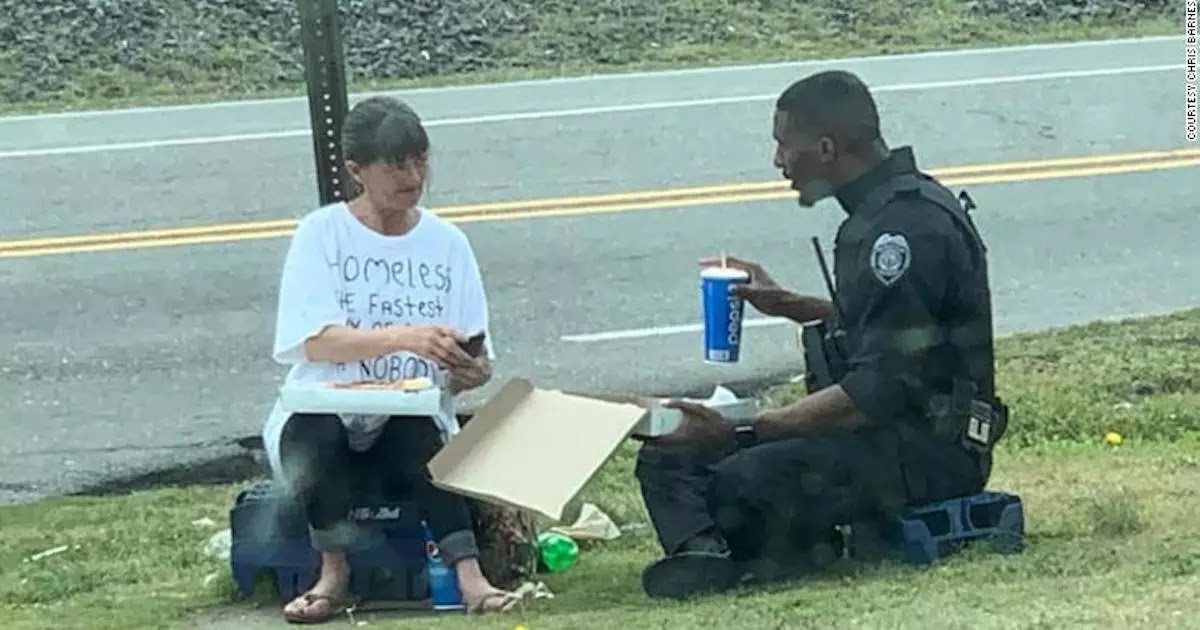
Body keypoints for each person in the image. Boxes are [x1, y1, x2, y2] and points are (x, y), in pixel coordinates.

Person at [634, 70, 1009, 600]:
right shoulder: (881, 213)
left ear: (827, 148)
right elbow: (894, 329)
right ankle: (706, 555)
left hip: (928, 446)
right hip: (881, 434)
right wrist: (788, 305)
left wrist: (743, 430)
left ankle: (768, 553)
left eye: (784, 145)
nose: (778, 162)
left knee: (742, 478)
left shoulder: (903, 229)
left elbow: (878, 390)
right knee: (669, 452)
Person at [259, 96, 522, 623]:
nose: (413, 175)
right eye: (396, 165)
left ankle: (470, 577)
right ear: (357, 170)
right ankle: (332, 573)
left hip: (410, 414)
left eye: (420, 160)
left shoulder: (447, 243)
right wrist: (403, 338)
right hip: (324, 411)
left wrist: (470, 372)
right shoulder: (322, 234)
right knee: (315, 433)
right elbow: (315, 341)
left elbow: (475, 357)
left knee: (418, 432)